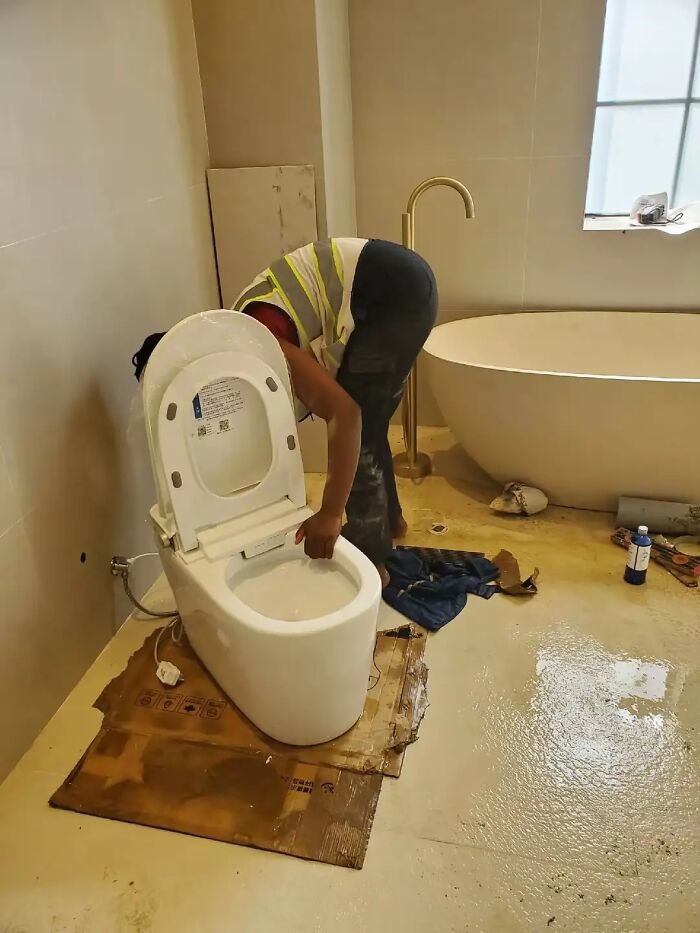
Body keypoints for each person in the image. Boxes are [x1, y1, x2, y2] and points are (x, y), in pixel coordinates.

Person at [132, 238, 437, 585]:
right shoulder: (236, 335)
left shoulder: (258, 344)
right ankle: (391, 523)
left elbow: (345, 415)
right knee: (372, 416)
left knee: (360, 423)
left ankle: (373, 565)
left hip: (391, 294)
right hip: (404, 283)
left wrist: (330, 513)